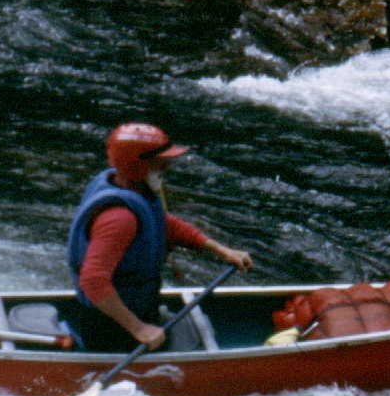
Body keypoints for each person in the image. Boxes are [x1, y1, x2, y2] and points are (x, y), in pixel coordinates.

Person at [65, 122, 254, 352]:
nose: (167, 167)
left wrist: (221, 250)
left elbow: (163, 225)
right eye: (160, 163)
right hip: (113, 327)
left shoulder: (134, 190)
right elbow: (93, 281)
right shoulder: (119, 219)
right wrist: (139, 329)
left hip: (138, 310)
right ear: (137, 165)